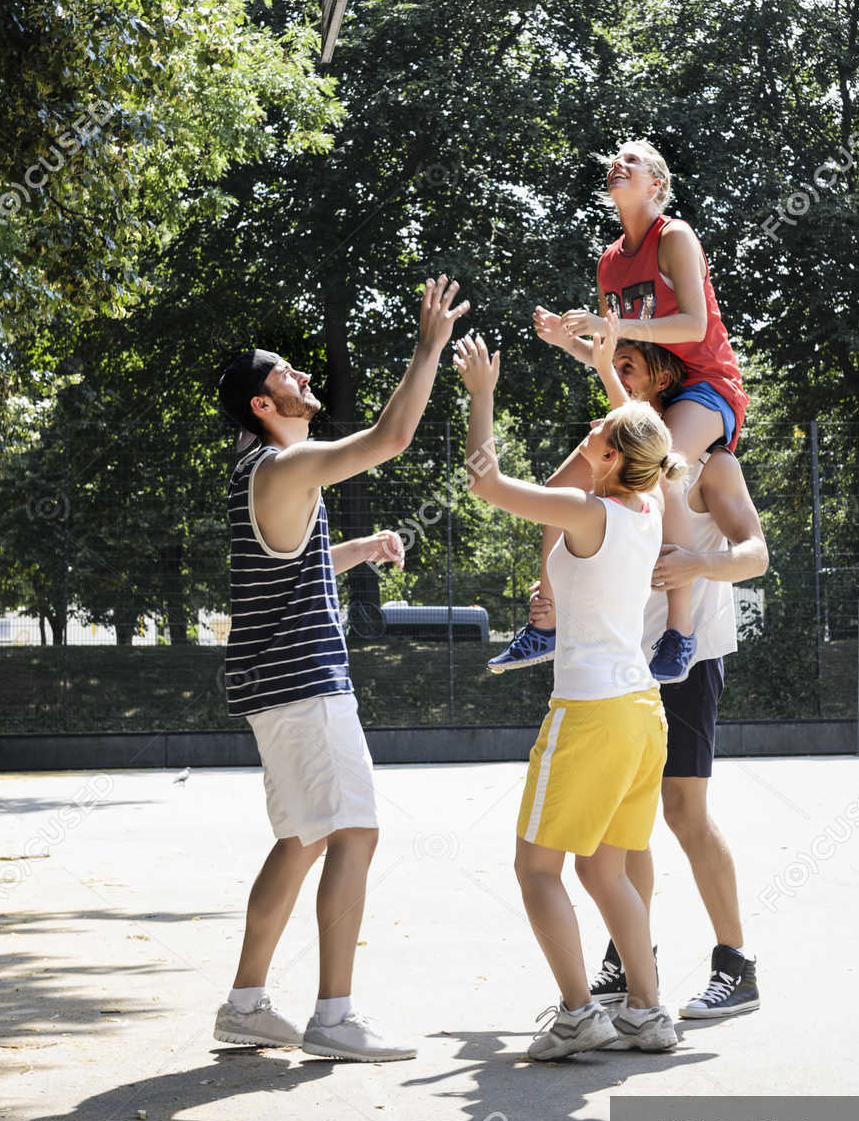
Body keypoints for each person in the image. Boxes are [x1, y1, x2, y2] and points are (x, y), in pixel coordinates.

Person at [212, 275, 468, 1063]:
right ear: (262, 402)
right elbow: (389, 439)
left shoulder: (260, 475)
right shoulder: (285, 468)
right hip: (303, 686)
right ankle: (334, 1018)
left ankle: (245, 1006)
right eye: (287, 372)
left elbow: (285, 566)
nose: (304, 376)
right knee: (354, 831)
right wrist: (428, 348)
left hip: (272, 686)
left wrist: (357, 550)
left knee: (300, 839)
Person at [454, 330, 683, 1061]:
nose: (592, 428)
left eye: (600, 432)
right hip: (644, 712)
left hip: (590, 714)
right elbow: (639, 433)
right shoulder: (646, 509)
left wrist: (482, 396)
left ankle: (581, 1013)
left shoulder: (591, 513)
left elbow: (486, 484)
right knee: (604, 869)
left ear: (614, 458)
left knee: (536, 868)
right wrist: (609, 378)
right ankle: (648, 1013)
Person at [560, 330, 768, 1020]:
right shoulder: (612, 464)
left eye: (629, 365)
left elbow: (755, 554)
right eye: (612, 367)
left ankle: (735, 965)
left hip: (686, 659)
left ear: (665, 378)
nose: (616, 375)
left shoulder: (711, 465)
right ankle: (631, 960)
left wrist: (700, 566)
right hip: (617, 663)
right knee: (624, 826)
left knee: (683, 812)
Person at [490, 139, 747, 683]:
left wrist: (613, 328)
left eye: (632, 160)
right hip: (648, 393)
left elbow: (695, 328)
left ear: (657, 184)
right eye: (615, 159)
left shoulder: (674, 236)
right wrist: (570, 344)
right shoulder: (610, 262)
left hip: (704, 385)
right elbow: (618, 354)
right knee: (561, 489)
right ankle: (547, 621)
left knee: (664, 471)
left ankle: (680, 632)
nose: (617, 163)